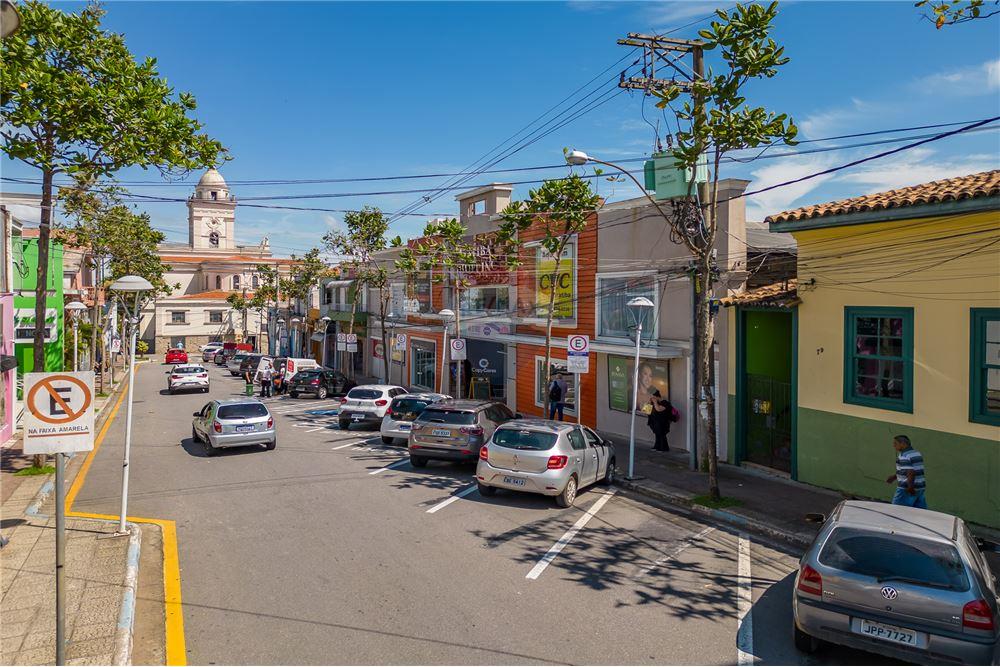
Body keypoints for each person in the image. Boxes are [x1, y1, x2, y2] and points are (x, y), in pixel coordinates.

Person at [885, 435, 926, 509]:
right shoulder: (916, 453)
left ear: (903, 443)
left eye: (895, 443)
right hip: (920, 488)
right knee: (918, 514)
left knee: (896, 512)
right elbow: (910, 470)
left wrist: (910, 488)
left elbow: (911, 472)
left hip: (906, 489)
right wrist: (895, 477)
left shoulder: (904, 455)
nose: (893, 446)